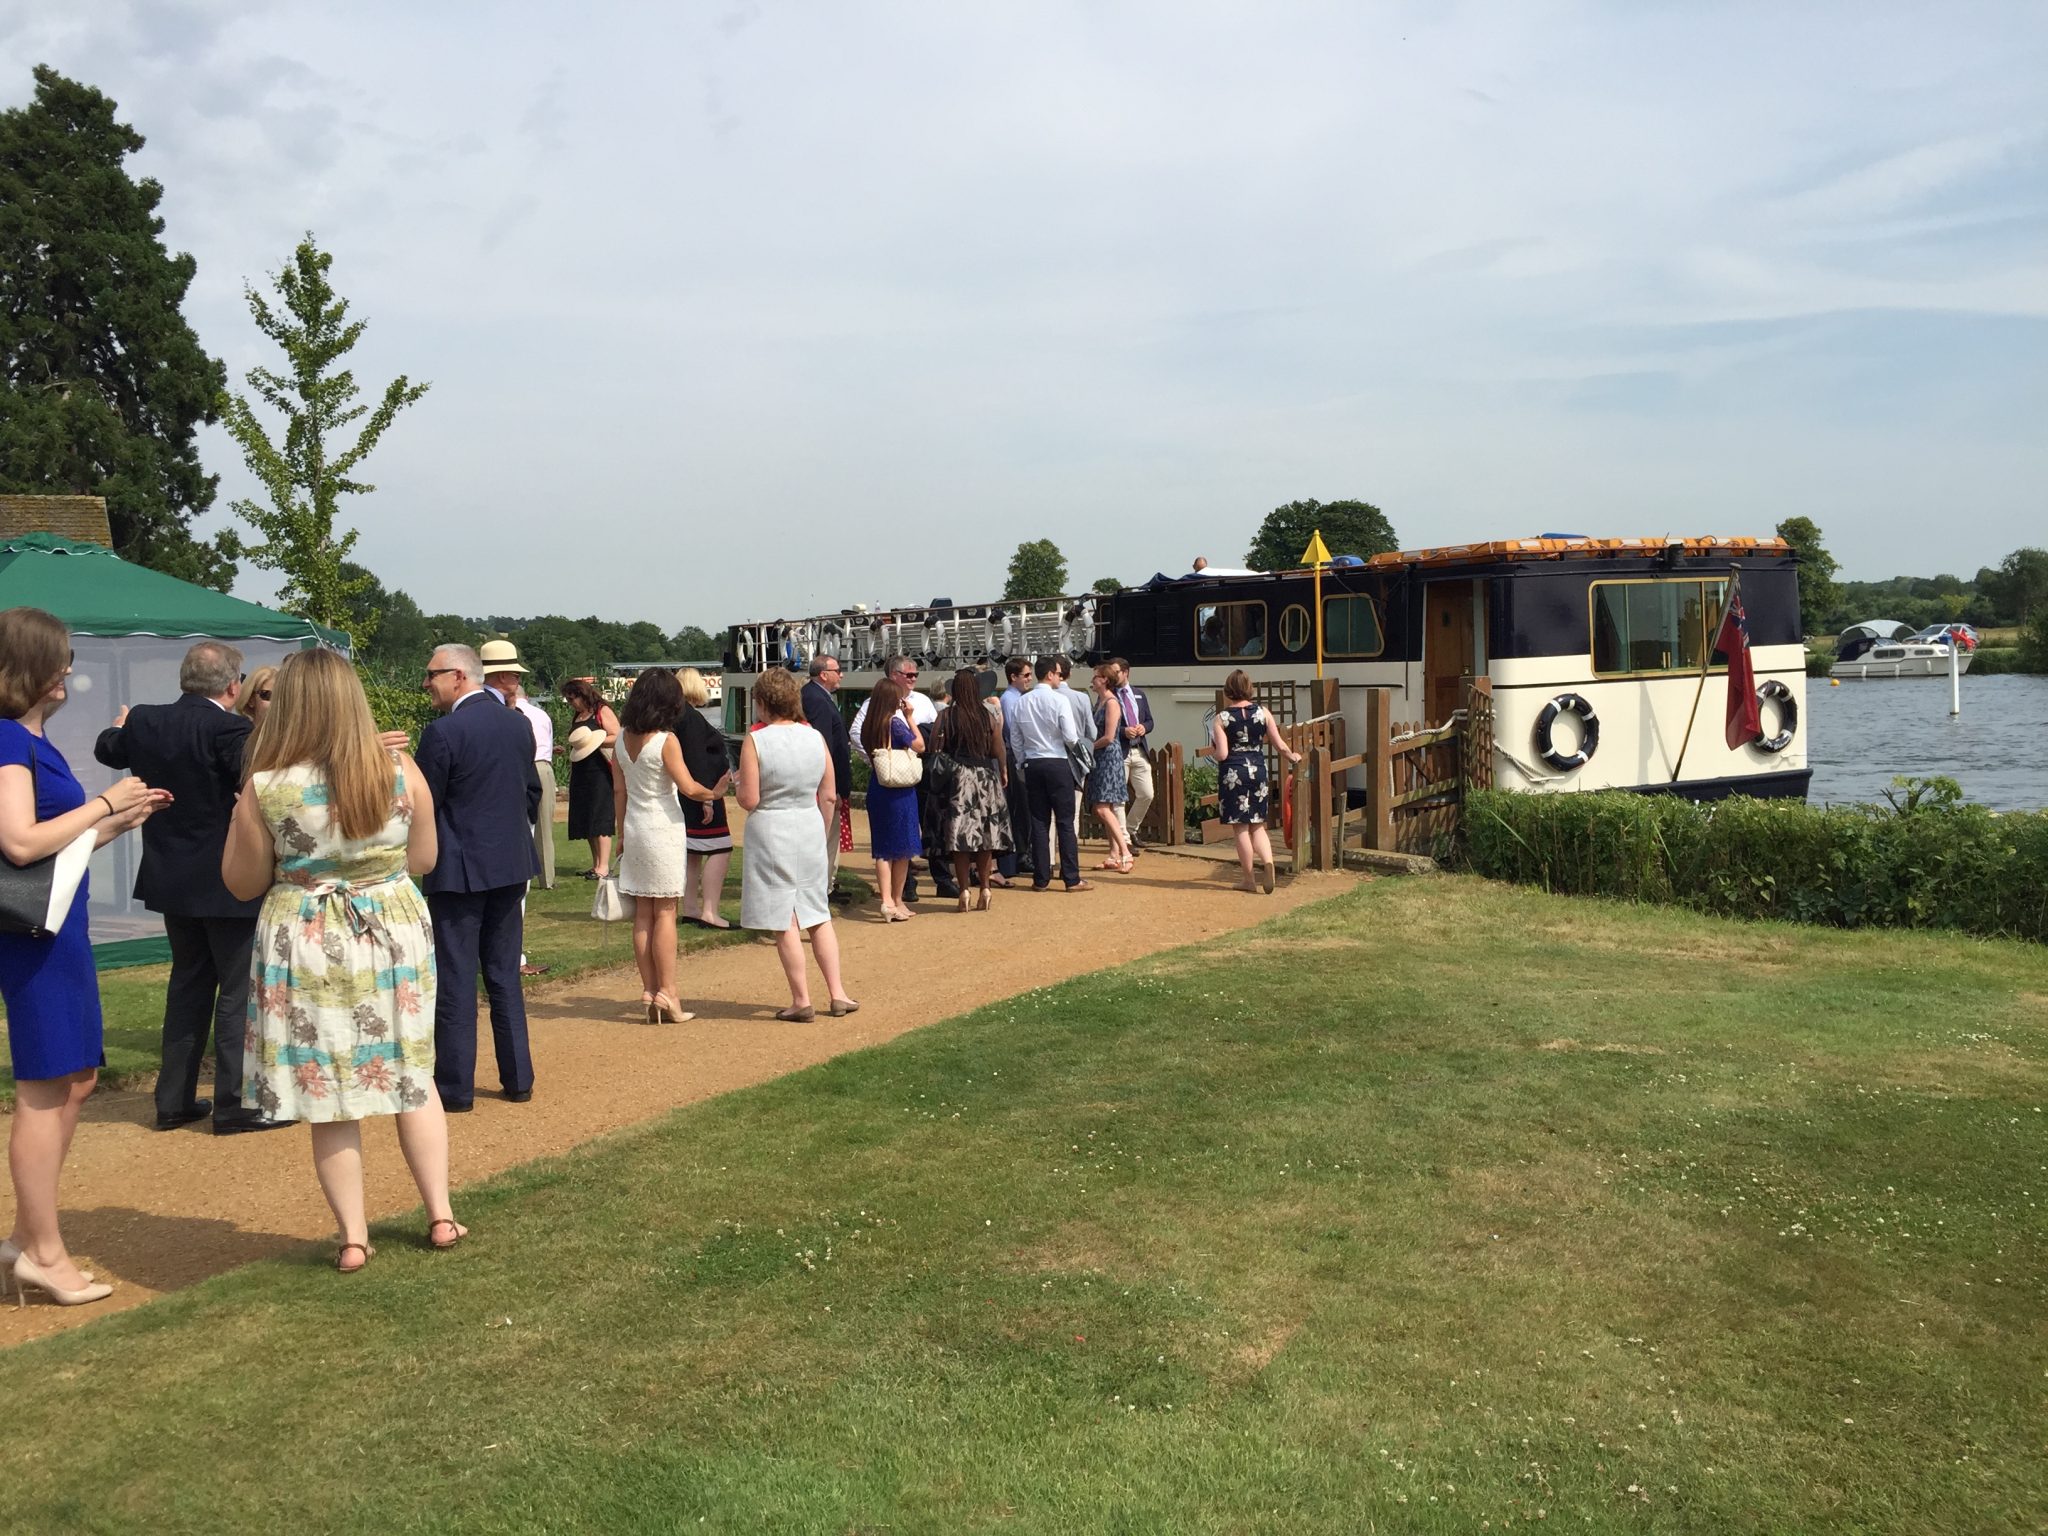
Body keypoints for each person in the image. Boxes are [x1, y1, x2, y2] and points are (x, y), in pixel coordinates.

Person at [221, 648, 464, 1272]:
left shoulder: (267, 786)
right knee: (413, 1074)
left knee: (328, 1090)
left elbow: (242, 883)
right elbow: (425, 861)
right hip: (392, 933)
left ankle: (354, 1237)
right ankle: (439, 1214)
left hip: (306, 936)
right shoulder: (400, 769)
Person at [0, 608, 168, 1307]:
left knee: (74, 1081)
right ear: (31, 666)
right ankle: (42, 1252)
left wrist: (116, 821)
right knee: (47, 1088)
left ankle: (22, 1238)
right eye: (61, 658)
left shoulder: (27, 738)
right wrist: (104, 801)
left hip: (54, 926)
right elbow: (17, 845)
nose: (69, 669)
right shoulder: (8, 740)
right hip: (32, 941)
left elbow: (46, 855)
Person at [92, 640, 290, 1136]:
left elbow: (106, 748)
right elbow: (259, 784)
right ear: (232, 685)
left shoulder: (145, 721)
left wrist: (120, 725)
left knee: (187, 987)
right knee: (237, 994)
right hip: (229, 879)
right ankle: (233, 1103)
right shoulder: (229, 728)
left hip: (170, 878)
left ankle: (173, 1100)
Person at [416, 644, 542, 1110]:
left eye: (431, 674)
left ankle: (455, 1089)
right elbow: (532, 792)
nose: (426, 683)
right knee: (504, 975)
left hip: (460, 871)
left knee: (456, 978)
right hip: (509, 865)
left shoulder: (442, 733)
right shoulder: (518, 724)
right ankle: (518, 1078)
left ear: (458, 676)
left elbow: (424, 804)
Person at [736, 666, 856, 1021]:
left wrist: (737, 781)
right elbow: (830, 795)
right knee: (817, 911)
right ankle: (838, 993)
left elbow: (749, 799)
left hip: (772, 826)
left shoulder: (756, 740)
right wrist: (820, 830)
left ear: (761, 702)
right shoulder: (815, 737)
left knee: (784, 916)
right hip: (808, 824)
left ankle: (801, 999)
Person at [610, 666, 718, 1021]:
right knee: (666, 912)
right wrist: (715, 793)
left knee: (643, 913)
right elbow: (688, 786)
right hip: (663, 828)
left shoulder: (622, 739)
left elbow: (620, 790)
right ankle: (668, 993)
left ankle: (649, 989)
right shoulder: (665, 740)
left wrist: (622, 833)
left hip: (636, 828)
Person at [850, 655, 943, 902]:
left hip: (913, 774)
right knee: (902, 842)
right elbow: (921, 743)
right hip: (895, 778)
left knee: (896, 840)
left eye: (915, 675)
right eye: (908, 674)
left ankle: (899, 895)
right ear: (893, 676)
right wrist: (877, 760)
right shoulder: (890, 716)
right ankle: (900, 895)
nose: (913, 679)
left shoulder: (920, 700)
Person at [1211, 669, 1302, 894]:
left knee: (1240, 827)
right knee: (1258, 824)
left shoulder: (1221, 718)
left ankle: (1249, 880)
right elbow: (1280, 744)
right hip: (1258, 771)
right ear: (1249, 688)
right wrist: (1292, 757)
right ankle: (1268, 863)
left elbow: (1222, 754)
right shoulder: (1263, 712)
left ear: (1228, 690)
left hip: (1233, 773)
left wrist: (1213, 753)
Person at [928, 668, 1012, 910]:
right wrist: (1003, 770)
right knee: (986, 835)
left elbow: (935, 745)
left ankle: (964, 890)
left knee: (960, 837)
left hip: (958, 779)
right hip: (985, 777)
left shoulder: (946, 716)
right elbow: (998, 749)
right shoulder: (988, 716)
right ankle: (985, 888)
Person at [1010, 656, 1091, 892]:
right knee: (1065, 821)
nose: (1060, 677)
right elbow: (1070, 736)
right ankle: (1071, 878)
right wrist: (1080, 753)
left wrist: (1021, 761)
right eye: (1057, 673)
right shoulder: (1058, 700)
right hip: (1057, 761)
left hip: (1033, 763)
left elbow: (1016, 738)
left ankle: (1041, 878)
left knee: (1039, 822)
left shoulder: (1021, 702)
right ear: (1050, 675)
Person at [480, 640, 555, 892]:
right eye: (515, 674)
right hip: (521, 784)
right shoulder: (515, 718)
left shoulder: (494, 712)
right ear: (502, 676)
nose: (517, 679)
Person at [860, 676, 924, 921]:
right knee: (903, 848)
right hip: (900, 790)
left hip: (879, 786)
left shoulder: (870, 724)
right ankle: (895, 899)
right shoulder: (895, 724)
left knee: (883, 849)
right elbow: (919, 745)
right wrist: (909, 717)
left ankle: (887, 900)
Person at [675, 667, 734, 930]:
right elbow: (697, 758)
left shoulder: (678, 717)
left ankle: (690, 907)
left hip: (690, 792)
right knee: (721, 849)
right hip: (703, 792)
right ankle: (709, 910)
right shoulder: (691, 718)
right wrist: (707, 798)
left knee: (693, 852)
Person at [801, 654, 853, 902]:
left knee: (830, 836)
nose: (841, 674)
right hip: (825, 784)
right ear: (824, 674)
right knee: (826, 836)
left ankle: (826, 885)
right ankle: (822, 889)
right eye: (837, 670)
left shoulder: (818, 696)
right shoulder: (817, 700)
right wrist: (833, 787)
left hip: (827, 782)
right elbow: (824, 746)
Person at [559, 679, 619, 879]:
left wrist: (595, 740)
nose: (570, 703)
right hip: (581, 770)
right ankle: (595, 864)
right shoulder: (578, 715)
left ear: (582, 694)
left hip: (600, 771)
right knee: (587, 818)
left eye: (572, 698)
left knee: (600, 816)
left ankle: (603, 866)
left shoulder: (602, 711)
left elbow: (617, 735)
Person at [1084, 664, 1133, 872]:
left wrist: (1087, 747)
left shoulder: (1112, 702)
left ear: (1104, 679)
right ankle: (1113, 854)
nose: (1093, 680)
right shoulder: (1100, 701)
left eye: (1096, 677)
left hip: (1108, 758)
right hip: (1100, 758)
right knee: (1107, 807)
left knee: (1102, 808)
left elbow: (1109, 737)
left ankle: (1126, 853)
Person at [1109, 658, 1155, 853]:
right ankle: (1124, 841)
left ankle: (1130, 829)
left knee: (1147, 794)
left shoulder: (1139, 694)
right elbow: (1104, 725)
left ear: (1126, 672)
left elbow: (1150, 721)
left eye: (1116, 672)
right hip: (1120, 751)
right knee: (1119, 799)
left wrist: (1143, 727)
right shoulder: (1109, 696)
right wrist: (1122, 731)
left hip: (1139, 750)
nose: (1112, 676)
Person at [997, 656, 1035, 881]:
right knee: (1020, 806)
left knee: (1023, 807)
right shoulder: (1010, 700)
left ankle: (1022, 852)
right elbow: (1013, 731)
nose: (1029, 679)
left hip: (1017, 754)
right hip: (1015, 755)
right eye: (1026, 675)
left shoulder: (1017, 697)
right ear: (1014, 677)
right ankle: (1021, 854)